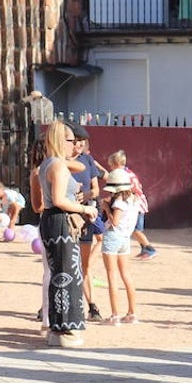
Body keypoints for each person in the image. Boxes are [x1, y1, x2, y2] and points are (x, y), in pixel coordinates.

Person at [38, 121, 95, 347]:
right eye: (71, 140)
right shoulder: (59, 166)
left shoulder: (49, 163)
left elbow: (80, 166)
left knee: (59, 274)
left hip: (51, 221)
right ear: (60, 140)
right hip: (61, 221)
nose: (75, 145)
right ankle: (68, 328)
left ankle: (57, 326)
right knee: (69, 275)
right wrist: (85, 208)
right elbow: (60, 199)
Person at [70, 125, 105, 321]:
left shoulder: (87, 160)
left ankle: (91, 305)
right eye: (76, 142)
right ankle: (47, 306)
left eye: (82, 142)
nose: (79, 145)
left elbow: (96, 189)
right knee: (60, 264)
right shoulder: (61, 162)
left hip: (84, 217)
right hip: (66, 216)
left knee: (84, 265)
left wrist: (87, 195)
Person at [99, 165, 139, 324]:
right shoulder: (133, 199)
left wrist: (106, 208)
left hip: (113, 237)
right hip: (125, 238)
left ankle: (115, 314)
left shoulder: (118, 202)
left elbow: (114, 221)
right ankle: (132, 312)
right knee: (126, 275)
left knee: (112, 275)